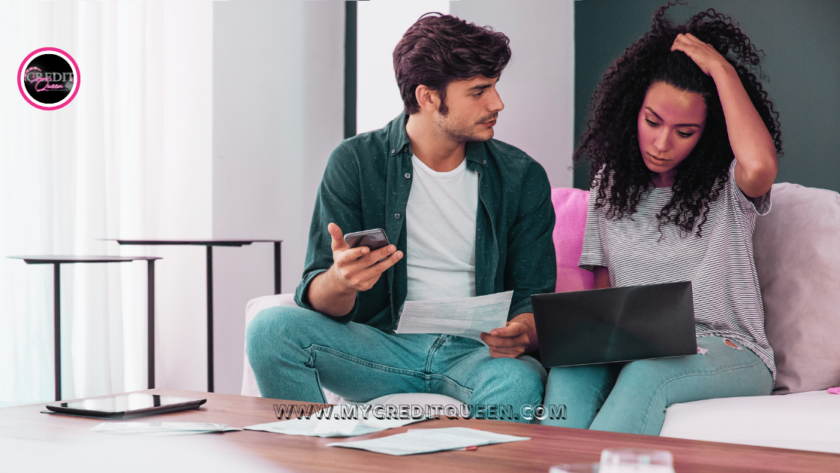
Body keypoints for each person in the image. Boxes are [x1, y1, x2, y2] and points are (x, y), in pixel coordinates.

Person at [247, 13, 556, 423]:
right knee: (271, 330)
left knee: (518, 383)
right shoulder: (356, 162)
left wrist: (523, 330)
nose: (497, 103)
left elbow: (535, 296)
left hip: (477, 355)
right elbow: (317, 292)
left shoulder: (521, 176)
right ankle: (311, 455)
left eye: (495, 87)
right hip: (380, 346)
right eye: (479, 91)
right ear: (428, 97)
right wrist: (341, 281)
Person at [542, 4, 782, 435]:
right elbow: (607, 302)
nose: (662, 142)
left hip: (729, 349)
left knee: (648, 374)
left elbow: (762, 163)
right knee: (569, 371)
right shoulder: (610, 185)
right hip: (638, 347)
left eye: (684, 131)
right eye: (652, 121)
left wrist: (721, 70)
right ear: (634, 109)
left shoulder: (728, 185)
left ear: (706, 132)